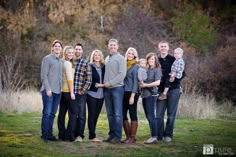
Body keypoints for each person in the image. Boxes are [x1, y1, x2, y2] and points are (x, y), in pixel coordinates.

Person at [156, 41, 185, 143]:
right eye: (161, 46)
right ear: (159, 48)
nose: (163, 48)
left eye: (165, 46)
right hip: (160, 91)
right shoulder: (156, 60)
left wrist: (175, 80)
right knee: (159, 115)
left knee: (171, 114)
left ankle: (168, 135)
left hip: (173, 89)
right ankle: (159, 136)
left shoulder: (174, 59)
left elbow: (183, 73)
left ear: (168, 48)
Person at [103, 39, 126, 144]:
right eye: (110, 45)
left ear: (117, 46)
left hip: (117, 88)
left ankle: (117, 137)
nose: (112, 46)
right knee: (110, 114)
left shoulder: (121, 58)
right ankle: (111, 135)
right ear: (108, 46)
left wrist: (110, 83)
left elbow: (122, 75)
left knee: (117, 114)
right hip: (107, 90)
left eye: (114, 45)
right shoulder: (107, 58)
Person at [40, 40, 63, 142]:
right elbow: (43, 76)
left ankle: (49, 134)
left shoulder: (61, 61)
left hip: (58, 92)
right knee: (47, 113)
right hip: (48, 91)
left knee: (53, 114)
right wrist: (48, 89)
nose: (57, 48)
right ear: (52, 48)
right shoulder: (47, 59)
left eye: (59, 46)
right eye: (56, 46)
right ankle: (44, 135)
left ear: (61, 49)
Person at [139, 52, 162, 144]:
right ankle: (153, 135)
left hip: (151, 94)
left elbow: (157, 82)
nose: (151, 60)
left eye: (153, 59)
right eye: (149, 59)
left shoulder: (157, 69)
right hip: (145, 94)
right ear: (147, 59)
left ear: (155, 60)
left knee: (151, 116)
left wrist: (146, 85)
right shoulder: (146, 69)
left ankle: (154, 136)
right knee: (148, 116)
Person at [57, 46, 77, 141]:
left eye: (72, 53)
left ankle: (61, 135)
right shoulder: (68, 64)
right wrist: (72, 92)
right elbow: (70, 79)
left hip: (61, 92)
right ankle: (69, 136)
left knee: (62, 114)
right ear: (65, 53)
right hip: (68, 92)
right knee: (73, 113)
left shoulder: (61, 62)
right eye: (69, 52)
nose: (71, 54)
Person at [73, 43, 92, 142]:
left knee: (81, 114)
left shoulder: (85, 63)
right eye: (76, 49)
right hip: (71, 93)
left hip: (80, 94)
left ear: (82, 51)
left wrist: (83, 91)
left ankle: (80, 135)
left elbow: (88, 80)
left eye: (79, 49)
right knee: (72, 114)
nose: (77, 51)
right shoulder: (70, 62)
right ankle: (72, 134)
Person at [87, 49, 105, 142]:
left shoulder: (103, 67)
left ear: (101, 56)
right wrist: (98, 85)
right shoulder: (89, 66)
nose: (97, 56)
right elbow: (88, 81)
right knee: (92, 114)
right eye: (95, 55)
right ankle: (92, 136)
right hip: (92, 94)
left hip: (101, 95)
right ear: (92, 57)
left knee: (96, 115)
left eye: (98, 55)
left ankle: (92, 134)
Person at [122, 47, 139, 144]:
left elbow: (135, 83)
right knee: (123, 114)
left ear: (134, 56)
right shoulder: (124, 65)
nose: (130, 55)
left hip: (132, 93)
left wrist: (132, 96)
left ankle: (132, 137)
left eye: (132, 53)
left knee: (132, 113)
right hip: (123, 92)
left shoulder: (135, 66)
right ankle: (128, 136)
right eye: (129, 53)